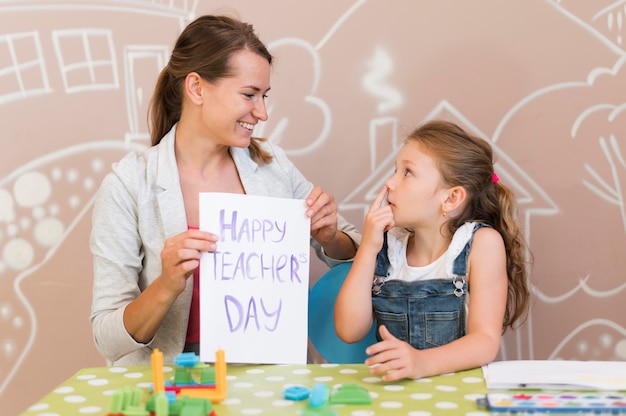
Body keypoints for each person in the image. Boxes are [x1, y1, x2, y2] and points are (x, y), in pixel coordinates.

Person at [89, 14, 360, 366]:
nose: (261, 112)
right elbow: (107, 339)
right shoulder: (128, 185)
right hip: (171, 382)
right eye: (249, 94)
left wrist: (329, 236)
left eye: (264, 96)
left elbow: (354, 253)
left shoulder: (272, 165)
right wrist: (166, 285)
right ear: (197, 88)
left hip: (269, 375)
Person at [334, 119, 531, 382]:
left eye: (407, 173)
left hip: (456, 394)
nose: (390, 183)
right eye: (395, 170)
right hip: (394, 395)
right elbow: (349, 330)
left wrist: (421, 363)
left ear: (451, 199)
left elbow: (485, 341)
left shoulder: (481, 244)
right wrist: (368, 250)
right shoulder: (388, 246)